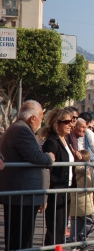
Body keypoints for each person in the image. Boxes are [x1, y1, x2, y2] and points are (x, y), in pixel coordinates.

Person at [0, 100, 55, 250]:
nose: (41, 122)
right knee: (21, 240)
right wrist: (50, 157)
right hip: (22, 195)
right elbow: (36, 157)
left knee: (20, 238)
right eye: (41, 118)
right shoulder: (21, 130)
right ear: (32, 118)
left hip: (22, 194)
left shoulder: (18, 128)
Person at [41, 108, 75, 245]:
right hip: (55, 190)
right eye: (67, 121)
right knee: (55, 227)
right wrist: (45, 195)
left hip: (65, 189)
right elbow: (46, 169)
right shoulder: (52, 142)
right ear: (57, 124)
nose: (71, 124)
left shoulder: (65, 140)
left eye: (71, 121)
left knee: (61, 228)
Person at [69, 149, 94, 247]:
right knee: (91, 223)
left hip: (74, 202)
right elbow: (91, 185)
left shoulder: (72, 169)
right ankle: (81, 238)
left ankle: (74, 244)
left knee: (75, 225)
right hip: (84, 202)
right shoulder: (85, 172)